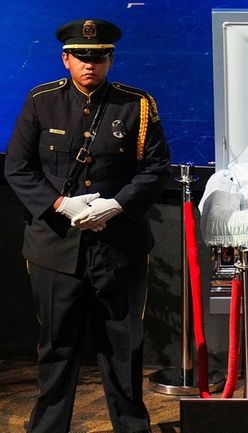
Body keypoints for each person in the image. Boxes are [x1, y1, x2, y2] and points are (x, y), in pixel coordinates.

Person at [4, 19, 171, 432]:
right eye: (81, 57)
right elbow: (18, 167)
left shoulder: (137, 105)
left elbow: (156, 168)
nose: (90, 65)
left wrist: (116, 205)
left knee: (122, 346)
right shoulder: (42, 102)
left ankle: (131, 426)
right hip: (55, 248)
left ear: (111, 59)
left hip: (118, 246)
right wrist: (60, 204)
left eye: (98, 57)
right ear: (66, 59)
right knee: (56, 347)